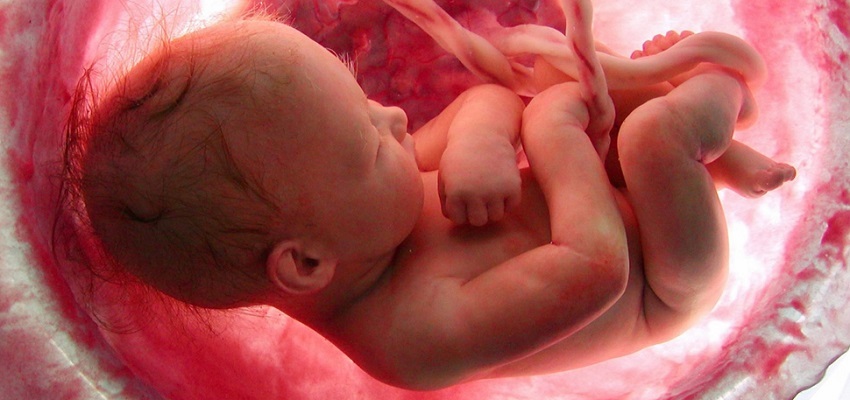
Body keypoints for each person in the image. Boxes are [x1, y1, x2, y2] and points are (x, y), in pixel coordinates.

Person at [66, 18, 795, 390]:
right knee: (649, 138)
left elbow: (485, 101)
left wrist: (481, 140)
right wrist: (554, 138)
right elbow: (598, 268)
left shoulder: (370, 206)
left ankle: (706, 144)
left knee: (569, 85)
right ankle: (722, 100)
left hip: (608, 188)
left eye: (365, 101)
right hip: (664, 274)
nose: (392, 118)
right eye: (369, 138)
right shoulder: (410, 340)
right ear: (306, 262)